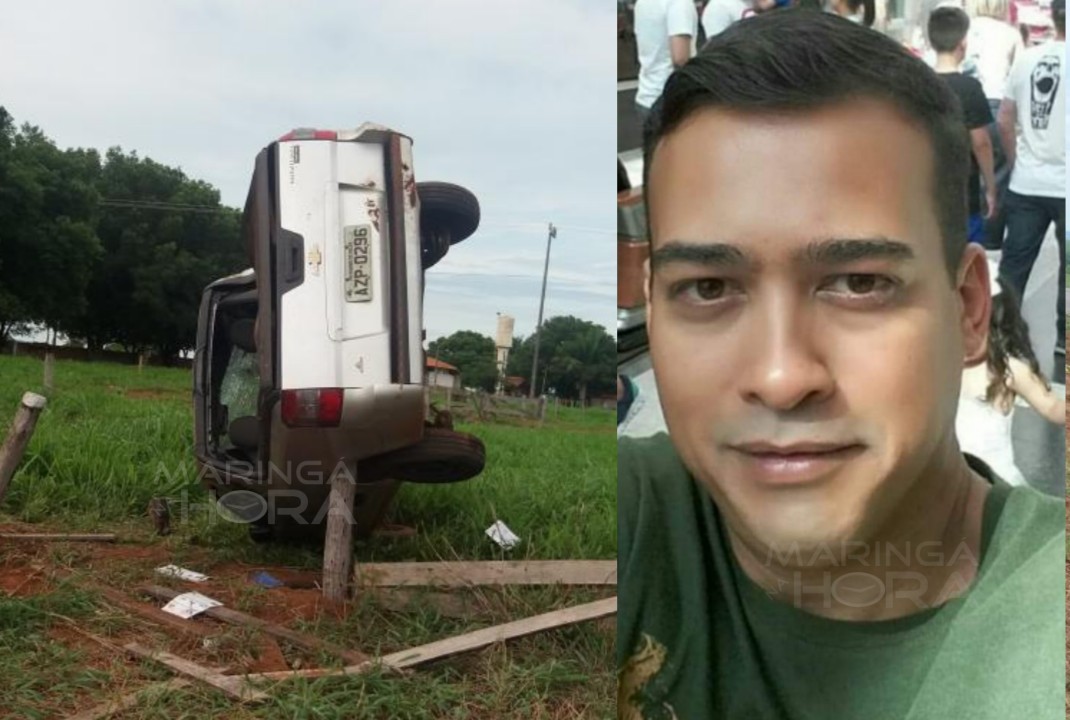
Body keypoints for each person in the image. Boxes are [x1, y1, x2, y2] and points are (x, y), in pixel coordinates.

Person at [618, 10, 1063, 720]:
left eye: (859, 283)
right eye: (707, 288)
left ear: (969, 310)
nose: (781, 376)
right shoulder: (632, 522)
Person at [997, 0, 1064, 353]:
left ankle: (1001, 331)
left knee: (1015, 263)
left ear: (1053, 18)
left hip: (1028, 183)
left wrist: (1016, 159)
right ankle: (1064, 341)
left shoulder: (1027, 59)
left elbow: (1005, 118)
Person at [955, 271, 1064, 486]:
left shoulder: (1008, 369)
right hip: (955, 480)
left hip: (994, 481)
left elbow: (1052, 407)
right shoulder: (945, 360)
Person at [929, 7, 997, 244]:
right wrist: (990, 187)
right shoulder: (969, 88)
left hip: (925, 192)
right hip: (962, 195)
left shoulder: (917, 82)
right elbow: (981, 143)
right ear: (963, 42)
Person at [964, 0, 1022, 248]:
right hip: (995, 103)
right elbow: (1018, 75)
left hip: (961, 101)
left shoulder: (963, 27)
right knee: (996, 177)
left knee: (964, 173)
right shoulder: (1010, 34)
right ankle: (990, 241)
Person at [633, 0, 698, 128]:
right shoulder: (679, 3)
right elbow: (680, 59)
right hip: (672, 102)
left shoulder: (642, 2)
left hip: (647, 96)